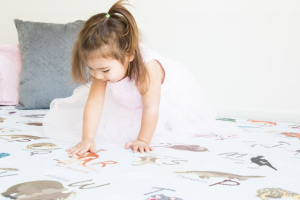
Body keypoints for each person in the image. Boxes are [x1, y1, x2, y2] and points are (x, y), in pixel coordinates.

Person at [42, 0, 242, 155]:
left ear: (128, 56)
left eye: (104, 70)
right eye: (91, 69)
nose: (97, 75)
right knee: (105, 125)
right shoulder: (101, 69)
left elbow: (150, 108)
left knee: (167, 125)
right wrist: (87, 138)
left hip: (159, 101)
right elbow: (94, 103)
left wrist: (143, 140)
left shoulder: (148, 68)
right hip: (129, 99)